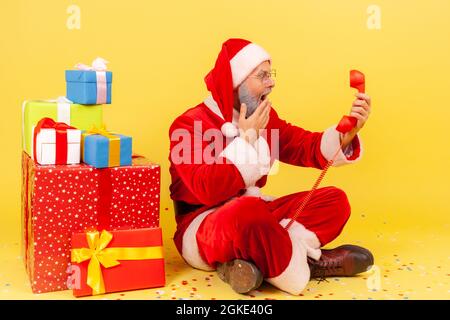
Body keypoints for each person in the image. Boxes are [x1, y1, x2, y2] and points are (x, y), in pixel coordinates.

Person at [168, 38, 373, 295]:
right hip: (203, 226)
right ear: (235, 82)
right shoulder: (187, 125)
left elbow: (303, 146)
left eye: (271, 75)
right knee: (247, 212)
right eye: (262, 76)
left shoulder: (264, 118)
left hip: (255, 213)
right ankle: (307, 265)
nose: (272, 82)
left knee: (334, 201)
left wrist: (346, 135)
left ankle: (245, 267)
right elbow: (206, 189)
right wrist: (246, 139)